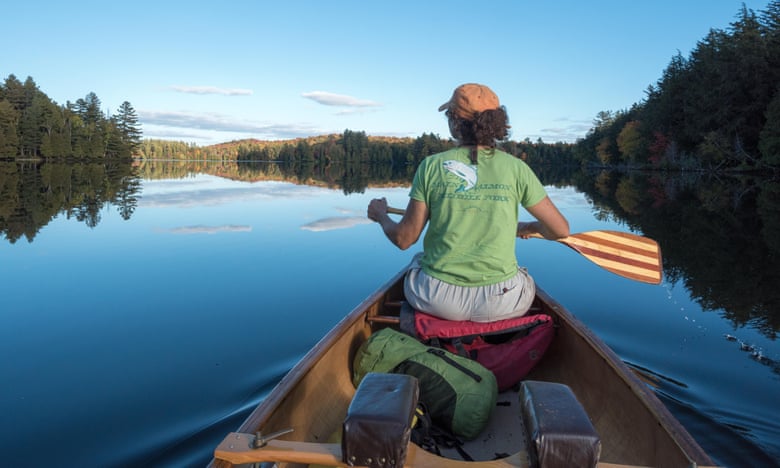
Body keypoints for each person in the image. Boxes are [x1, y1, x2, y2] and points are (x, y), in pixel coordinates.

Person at [367, 83, 569, 323]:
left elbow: (404, 239)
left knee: (418, 261)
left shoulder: (431, 166)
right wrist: (532, 227)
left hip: (438, 299)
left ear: (455, 122)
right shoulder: (517, 168)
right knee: (521, 276)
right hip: (502, 301)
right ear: (496, 124)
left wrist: (381, 216)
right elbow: (560, 230)